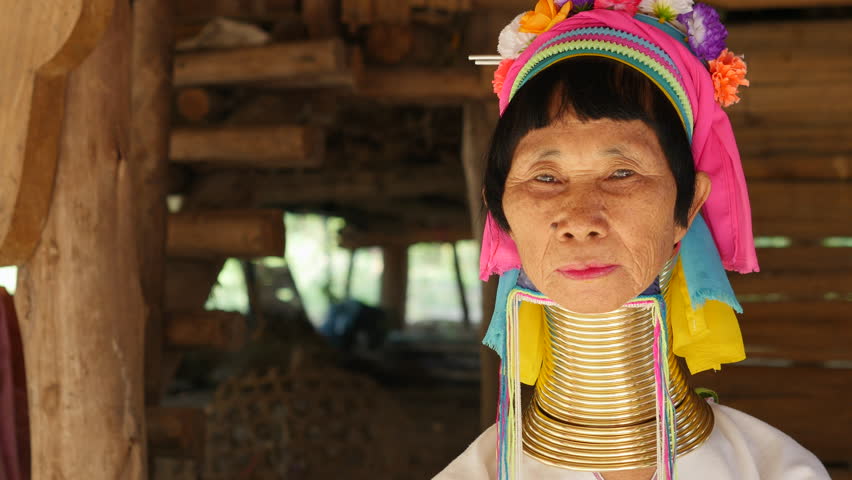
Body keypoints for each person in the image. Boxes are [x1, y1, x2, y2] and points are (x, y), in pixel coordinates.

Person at [435, 2, 830, 479]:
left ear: (687, 207)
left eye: (622, 172)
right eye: (545, 177)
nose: (580, 220)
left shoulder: (779, 472)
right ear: (501, 213)